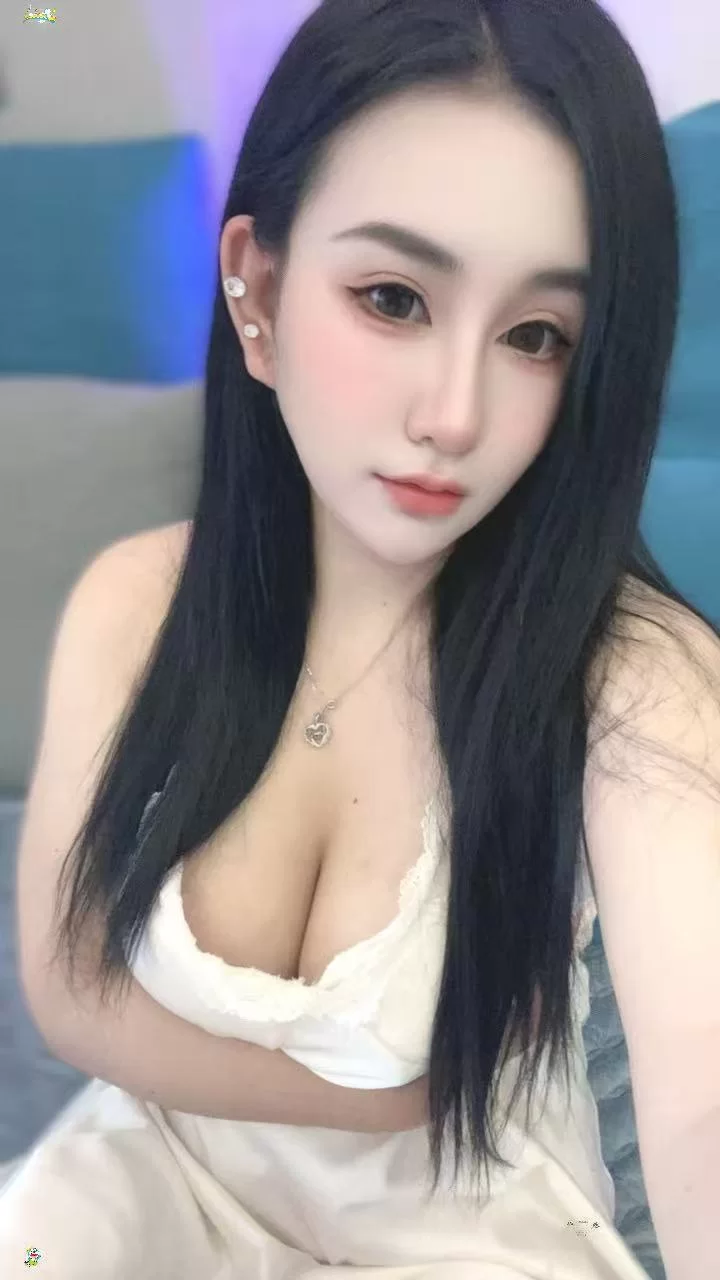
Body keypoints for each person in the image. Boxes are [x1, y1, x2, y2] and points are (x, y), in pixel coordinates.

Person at [2, 0, 719, 1276]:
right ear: (260, 288)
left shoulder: (636, 675)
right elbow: (72, 990)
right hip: (145, 1192)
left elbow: (704, 1101)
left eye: (536, 336)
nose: (455, 413)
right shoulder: (136, 603)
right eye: (394, 297)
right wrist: (388, 1099)